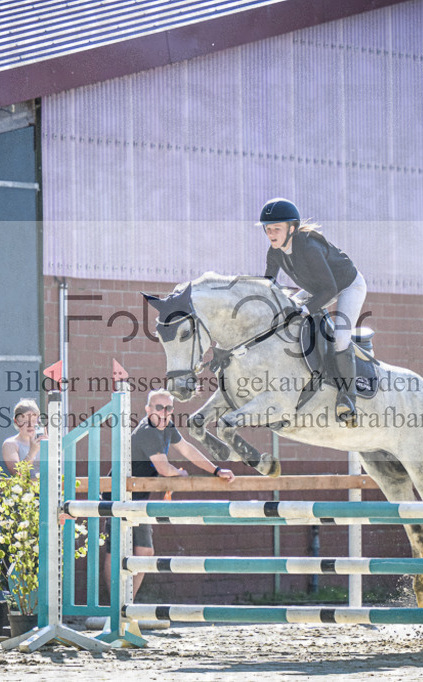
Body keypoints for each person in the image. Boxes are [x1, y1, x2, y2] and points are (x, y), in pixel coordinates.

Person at [103, 389, 235, 601]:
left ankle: (126, 604)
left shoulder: (167, 427)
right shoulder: (148, 431)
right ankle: (116, 606)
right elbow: (164, 469)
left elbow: (188, 450)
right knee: (116, 551)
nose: (164, 412)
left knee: (144, 552)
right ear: (148, 410)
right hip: (117, 495)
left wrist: (216, 470)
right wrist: (179, 474)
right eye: (159, 407)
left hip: (137, 498)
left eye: (168, 408)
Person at [257, 197, 368, 426]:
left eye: (276, 228)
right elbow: (269, 285)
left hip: (347, 286)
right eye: (268, 229)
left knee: (340, 338)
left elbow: (330, 290)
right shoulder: (274, 252)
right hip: (318, 288)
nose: (271, 234)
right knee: (286, 312)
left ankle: (348, 399)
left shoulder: (308, 248)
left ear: (292, 228)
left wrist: (305, 309)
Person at [1, 398, 43, 477]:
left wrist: (50, 446)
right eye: (25, 422)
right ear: (16, 422)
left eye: (33, 421)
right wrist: (32, 451)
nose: (30, 425)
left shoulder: (44, 442)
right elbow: (17, 474)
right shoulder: (10, 444)